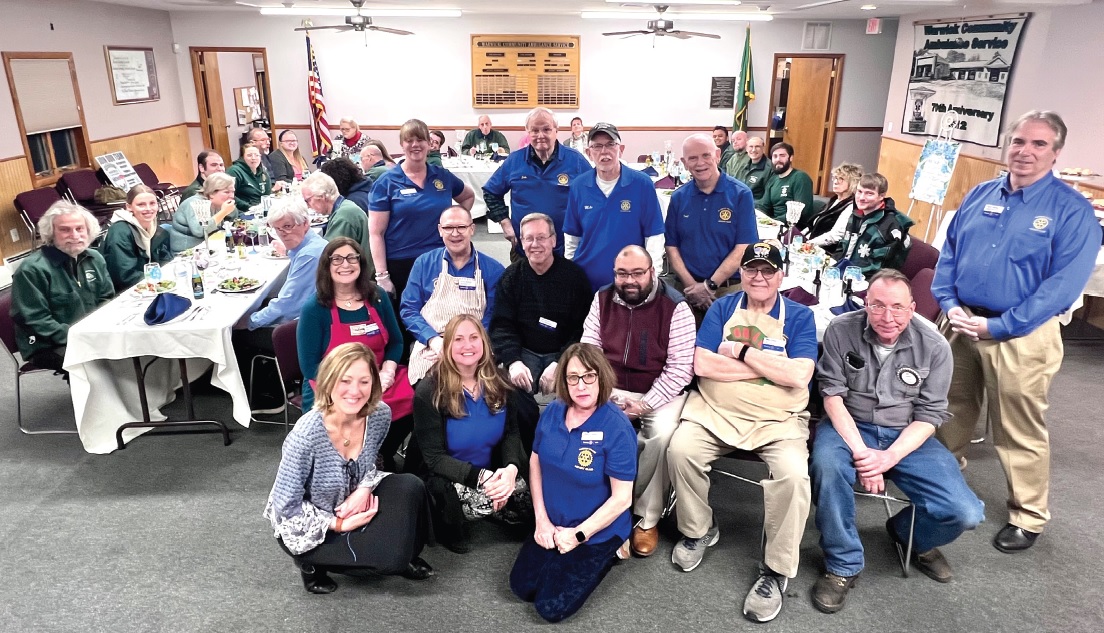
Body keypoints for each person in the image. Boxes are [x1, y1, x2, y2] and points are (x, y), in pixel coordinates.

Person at [932, 110, 1101, 553]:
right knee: (950, 409)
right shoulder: (981, 193)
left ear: (1056, 152)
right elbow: (948, 255)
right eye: (1019, 141)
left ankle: (1027, 515)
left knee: (1018, 428)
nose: (1025, 151)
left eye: (1039, 144)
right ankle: (944, 482)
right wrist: (950, 304)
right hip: (961, 322)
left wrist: (999, 325)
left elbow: (1061, 288)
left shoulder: (1073, 211)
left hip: (1021, 335)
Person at [809, 269, 985, 614]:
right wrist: (863, 454)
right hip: (849, 426)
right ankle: (842, 563)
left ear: (912, 307)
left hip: (907, 433)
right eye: (877, 306)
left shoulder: (934, 345)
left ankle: (909, 534)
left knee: (966, 512)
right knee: (826, 466)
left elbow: (930, 416)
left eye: (898, 308)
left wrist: (887, 458)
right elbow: (831, 396)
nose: (887, 317)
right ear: (865, 303)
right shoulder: (841, 329)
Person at [666, 241, 817, 623]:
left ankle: (777, 570)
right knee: (680, 449)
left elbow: (800, 375)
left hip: (778, 421)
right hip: (715, 411)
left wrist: (743, 353)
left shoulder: (799, 316)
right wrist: (770, 367)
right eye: (751, 269)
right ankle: (700, 529)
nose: (759, 277)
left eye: (768, 270)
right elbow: (701, 363)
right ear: (742, 273)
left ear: (781, 275)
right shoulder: (723, 307)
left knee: (794, 475)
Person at [263, 342, 433, 594]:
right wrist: (339, 524)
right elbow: (285, 506)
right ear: (329, 382)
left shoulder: (379, 414)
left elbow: (373, 460)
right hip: (310, 519)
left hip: (351, 498)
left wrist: (364, 489)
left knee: (411, 486)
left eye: (364, 382)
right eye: (345, 381)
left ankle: (404, 552)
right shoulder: (306, 436)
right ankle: (310, 565)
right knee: (388, 562)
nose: (355, 391)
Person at [580, 245, 695, 558]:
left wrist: (644, 405)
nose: (629, 280)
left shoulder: (676, 307)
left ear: (652, 272)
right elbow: (589, 351)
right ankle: (598, 505)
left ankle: (645, 516)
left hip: (660, 391)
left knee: (659, 434)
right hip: (611, 388)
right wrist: (607, 394)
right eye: (622, 273)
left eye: (637, 273)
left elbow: (681, 369)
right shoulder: (602, 298)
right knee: (581, 422)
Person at [509, 343, 636, 623]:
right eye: (573, 377)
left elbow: (622, 499)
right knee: (521, 588)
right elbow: (535, 462)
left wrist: (579, 535)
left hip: (596, 530)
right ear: (564, 381)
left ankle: (613, 550)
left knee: (550, 608)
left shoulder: (617, 428)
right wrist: (541, 521)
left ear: (602, 377)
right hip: (552, 521)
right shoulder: (554, 412)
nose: (581, 385)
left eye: (589, 376)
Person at [408, 314, 539, 552]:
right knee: (488, 498)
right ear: (446, 347)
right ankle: (449, 520)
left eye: (473, 338)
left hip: (491, 468)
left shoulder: (500, 382)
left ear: (484, 343)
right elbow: (434, 459)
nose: (467, 346)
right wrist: (483, 479)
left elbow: (511, 433)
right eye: (458, 339)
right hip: (448, 476)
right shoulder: (429, 391)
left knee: (534, 509)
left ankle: (494, 501)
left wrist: (510, 470)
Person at [298, 238, 413, 470]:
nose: (345, 265)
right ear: (326, 266)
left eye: (352, 258)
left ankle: (381, 452)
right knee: (353, 408)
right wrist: (352, 386)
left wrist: (388, 371)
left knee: (419, 399)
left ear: (361, 263)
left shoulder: (377, 296)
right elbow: (310, 366)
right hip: (332, 385)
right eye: (337, 259)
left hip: (381, 377)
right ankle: (356, 459)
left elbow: (397, 341)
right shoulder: (315, 308)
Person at [234, 198, 326, 413]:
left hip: (303, 327)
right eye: (277, 229)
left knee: (236, 333)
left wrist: (250, 322)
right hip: (306, 316)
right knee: (258, 306)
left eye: (288, 226)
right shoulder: (309, 245)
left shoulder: (309, 255)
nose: (283, 233)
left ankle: (268, 398)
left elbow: (286, 305)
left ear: (305, 223)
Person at [490, 213, 593, 404]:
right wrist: (513, 362)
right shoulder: (511, 277)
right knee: (511, 399)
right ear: (521, 242)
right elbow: (502, 326)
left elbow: (582, 329)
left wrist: (560, 362)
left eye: (541, 238)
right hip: (524, 352)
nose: (535, 244)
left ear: (553, 240)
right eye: (529, 238)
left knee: (573, 401)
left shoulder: (575, 278)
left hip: (563, 353)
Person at [368, 119, 475, 300]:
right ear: (402, 144)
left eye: (420, 140)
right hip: (401, 263)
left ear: (429, 144)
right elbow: (376, 233)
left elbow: (468, 196)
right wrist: (382, 276)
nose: (415, 145)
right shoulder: (387, 182)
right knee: (405, 321)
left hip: (440, 259)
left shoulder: (441, 176)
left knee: (442, 319)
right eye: (409, 140)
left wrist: (457, 226)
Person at [400, 206, 506, 384]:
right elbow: (409, 309)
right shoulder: (424, 263)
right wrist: (432, 340)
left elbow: (495, 315)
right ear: (440, 230)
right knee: (426, 393)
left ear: (472, 229)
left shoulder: (493, 269)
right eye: (449, 228)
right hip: (432, 346)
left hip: (475, 346)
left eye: (461, 227)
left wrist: (468, 344)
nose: (455, 233)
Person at [10, 201, 114, 373]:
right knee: (94, 363)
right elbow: (35, 320)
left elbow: (106, 297)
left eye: (79, 228)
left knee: (131, 346)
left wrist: (100, 329)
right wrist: (79, 335)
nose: (74, 235)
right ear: (51, 234)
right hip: (47, 344)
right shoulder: (32, 269)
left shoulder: (94, 258)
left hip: (89, 333)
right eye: (65, 230)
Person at [665, 133, 758, 318]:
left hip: (727, 291)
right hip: (686, 291)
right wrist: (692, 287)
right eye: (693, 158)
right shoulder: (678, 198)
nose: (700, 163)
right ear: (684, 162)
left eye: (706, 155)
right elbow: (671, 247)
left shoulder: (740, 194)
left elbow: (743, 247)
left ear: (717, 155)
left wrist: (710, 286)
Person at [563, 122, 664, 292]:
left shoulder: (642, 184)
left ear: (621, 149)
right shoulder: (578, 186)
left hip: (629, 284)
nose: (604, 152)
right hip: (586, 283)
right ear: (589, 153)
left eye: (610, 145)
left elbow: (654, 235)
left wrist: (652, 279)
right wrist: (570, 274)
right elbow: (572, 237)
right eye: (597, 146)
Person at [483, 107, 591, 259]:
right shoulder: (515, 160)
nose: (540, 135)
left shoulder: (576, 160)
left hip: (565, 251)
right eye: (534, 130)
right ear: (528, 131)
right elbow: (491, 192)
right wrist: (505, 223)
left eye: (546, 129)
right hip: (525, 249)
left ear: (556, 130)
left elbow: (593, 194)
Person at [836, 173, 913, 277]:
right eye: (859, 191)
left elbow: (879, 270)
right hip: (843, 274)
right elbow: (842, 247)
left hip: (866, 282)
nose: (861, 198)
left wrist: (846, 275)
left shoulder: (890, 227)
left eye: (869, 194)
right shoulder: (856, 214)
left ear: (881, 196)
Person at [101, 185, 173, 292]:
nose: (148, 209)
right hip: (126, 291)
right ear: (129, 207)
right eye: (141, 205)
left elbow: (165, 261)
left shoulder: (155, 228)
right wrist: (159, 282)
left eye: (152, 203)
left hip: (148, 284)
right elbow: (125, 276)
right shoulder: (120, 232)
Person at [300, 171, 372, 275]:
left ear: (323, 196)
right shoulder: (345, 206)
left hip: (361, 278)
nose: (307, 206)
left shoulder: (344, 217)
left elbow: (324, 256)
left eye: (308, 200)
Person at [169, 172, 238, 253]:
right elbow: (200, 231)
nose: (232, 196)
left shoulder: (217, 203)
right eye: (226, 192)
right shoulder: (195, 203)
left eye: (232, 192)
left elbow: (232, 220)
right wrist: (223, 212)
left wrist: (230, 210)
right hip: (186, 251)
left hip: (208, 247)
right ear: (212, 193)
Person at [804, 163, 862, 248]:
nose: (835, 182)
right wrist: (797, 238)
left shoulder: (851, 207)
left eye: (841, 179)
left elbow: (835, 236)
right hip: (810, 244)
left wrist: (808, 244)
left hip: (825, 251)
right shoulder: (834, 200)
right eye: (835, 178)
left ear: (853, 183)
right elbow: (813, 225)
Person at [756, 142, 815, 225]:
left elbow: (802, 211)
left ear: (791, 158)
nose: (778, 159)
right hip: (773, 225)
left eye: (782, 156)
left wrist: (775, 221)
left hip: (793, 227)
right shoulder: (773, 179)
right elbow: (764, 206)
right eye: (775, 156)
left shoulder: (800, 177)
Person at [227, 142, 273, 214]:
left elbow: (268, 194)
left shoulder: (263, 172)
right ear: (242, 157)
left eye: (256, 155)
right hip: (244, 211)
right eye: (249, 155)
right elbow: (229, 195)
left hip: (261, 210)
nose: (253, 158)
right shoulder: (234, 171)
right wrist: (249, 207)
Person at [735, 136, 773, 204]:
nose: (753, 150)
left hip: (757, 208)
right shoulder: (743, 166)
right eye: (751, 146)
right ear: (746, 149)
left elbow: (766, 198)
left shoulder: (770, 168)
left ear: (763, 148)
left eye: (757, 146)